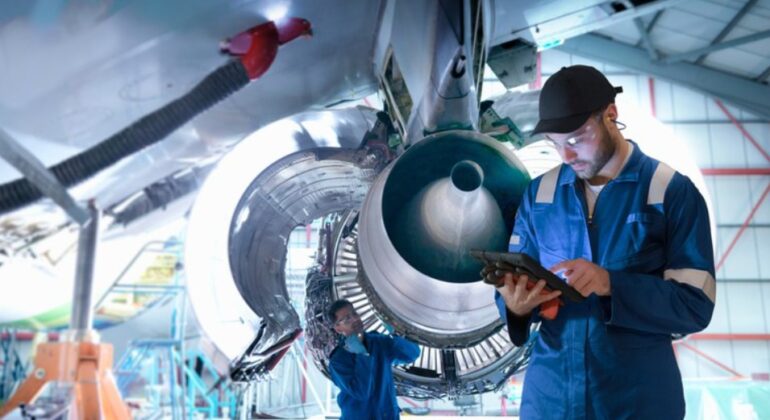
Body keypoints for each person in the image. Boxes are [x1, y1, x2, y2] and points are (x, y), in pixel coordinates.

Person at [491, 65, 715, 419]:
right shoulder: (539, 196)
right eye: (555, 143)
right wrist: (515, 307)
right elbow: (514, 285)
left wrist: (612, 284)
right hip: (551, 401)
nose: (566, 156)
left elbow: (695, 305)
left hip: (638, 403)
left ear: (611, 114)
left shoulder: (670, 193)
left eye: (576, 139)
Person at [326, 299, 420, 420]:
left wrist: (395, 331)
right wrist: (362, 354)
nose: (354, 319)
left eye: (354, 314)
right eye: (347, 319)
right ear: (338, 328)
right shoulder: (338, 360)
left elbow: (412, 354)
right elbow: (361, 392)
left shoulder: (378, 342)